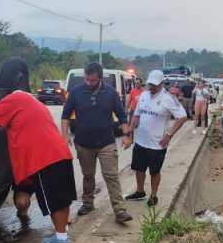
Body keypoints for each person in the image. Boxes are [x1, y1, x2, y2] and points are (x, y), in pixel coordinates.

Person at [0, 58, 78, 243]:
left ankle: (62, 239)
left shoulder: (16, 99)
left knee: (54, 201)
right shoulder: (32, 100)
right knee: (61, 198)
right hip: (60, 153)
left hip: (43, 157)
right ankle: (62, 234)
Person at [60, 62, 133, 224]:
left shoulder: (111, 93)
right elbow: (65, 116)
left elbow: (122, 116)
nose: (88, 83)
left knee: (111, 176)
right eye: (86, 79)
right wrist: (64, 135)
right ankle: (88, 204)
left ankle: (120, 210)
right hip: (83, 143)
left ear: (100, 78)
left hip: (106, 142)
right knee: (88, 176)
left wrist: (127, 135)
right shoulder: (76, 92)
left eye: (92, 80)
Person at [125, 70, 188, 207]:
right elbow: (136, 115)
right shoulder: (143, 95)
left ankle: (153, 195)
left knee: (154, 171)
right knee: (139, 169)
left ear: (161, 84)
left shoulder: (169, 98)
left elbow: (182, 117)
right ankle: (140, 191)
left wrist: (169, 135)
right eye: (149, 84)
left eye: (154, 84)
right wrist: (129, 131)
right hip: (141, 142)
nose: (151, 87)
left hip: (157, 145)